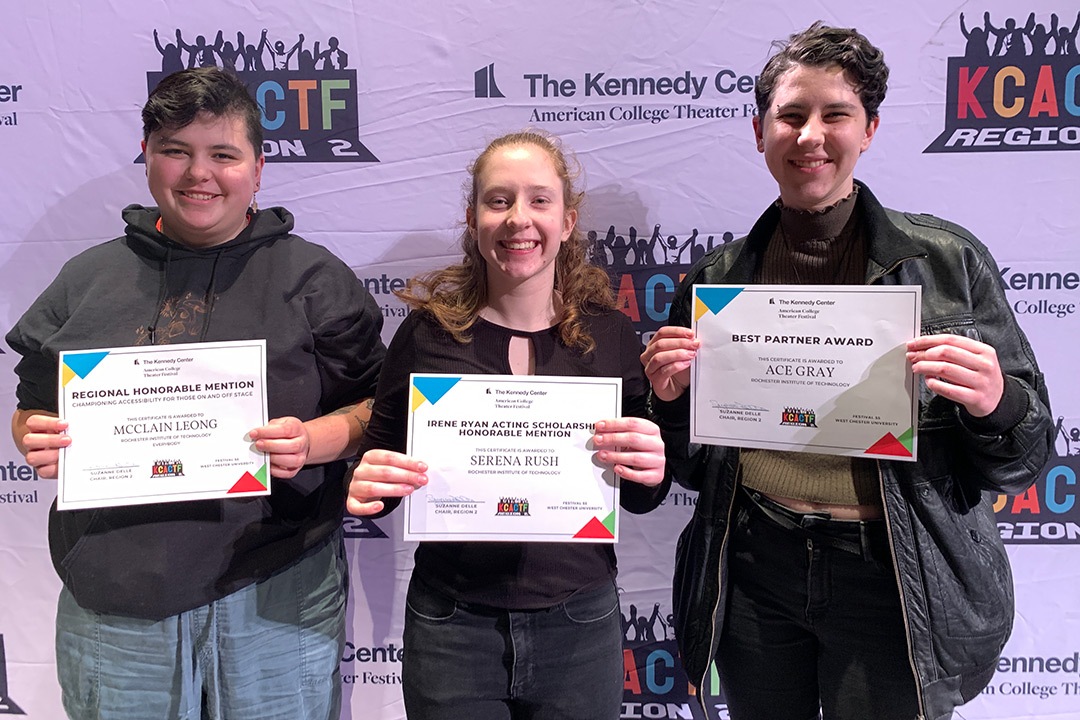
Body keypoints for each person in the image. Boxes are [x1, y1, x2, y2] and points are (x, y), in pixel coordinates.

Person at [641, 22, 1053, 720]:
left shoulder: (947, 264)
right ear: (759, 130)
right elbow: (685, 466)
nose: (810, 136)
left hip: (891, 573)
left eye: (835, 114)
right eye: (791, 115)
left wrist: (997, 402)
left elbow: (1028, 459)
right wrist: (670, 401)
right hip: (755, 566)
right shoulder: (718, 282)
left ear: (869, 130)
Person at [7, 66, 386, 720]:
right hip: (114, 599)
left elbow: (378, 406)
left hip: (275, 589)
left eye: (222, 155)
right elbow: (33, 405)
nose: (197, 173)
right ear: (148, 156)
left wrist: (312, 439)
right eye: (175, 151)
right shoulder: (85, 279)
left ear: (259, 169)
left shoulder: (314, 277)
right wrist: (32, 433)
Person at [347, 130, 670, 719]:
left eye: (539, 200)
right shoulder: (427, 336)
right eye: (499, 200)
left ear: (568, 221)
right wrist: (368, 486)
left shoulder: (611, 337)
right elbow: (380, 485)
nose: (518, 218)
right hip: (452, 626)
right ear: (473, 220)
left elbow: (644, 500)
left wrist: (652, 468)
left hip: (580, 621)